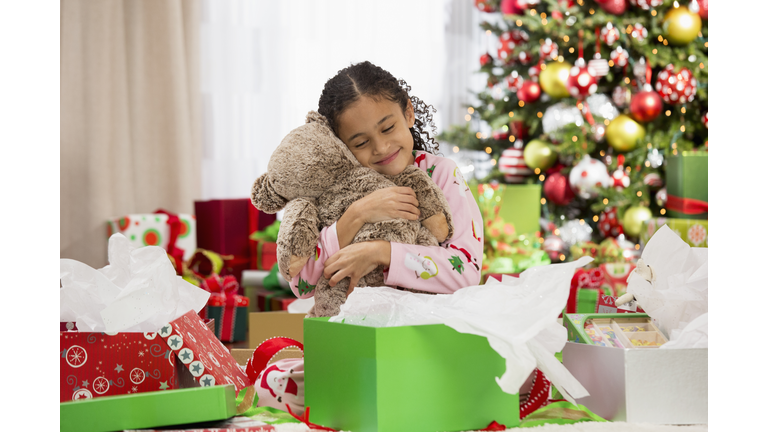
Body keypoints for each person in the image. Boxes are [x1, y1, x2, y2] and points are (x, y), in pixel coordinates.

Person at [288, 61, 484, 299]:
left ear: (408, 113)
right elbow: (302, 286)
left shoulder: (441, 174)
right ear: (341, 146)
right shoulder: (334, 191)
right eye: (361, 143)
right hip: (357, 328)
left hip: (421, 327)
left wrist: (382, 252)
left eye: (388, 128)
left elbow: (466, 273)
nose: (381, 148)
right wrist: (356, 214)